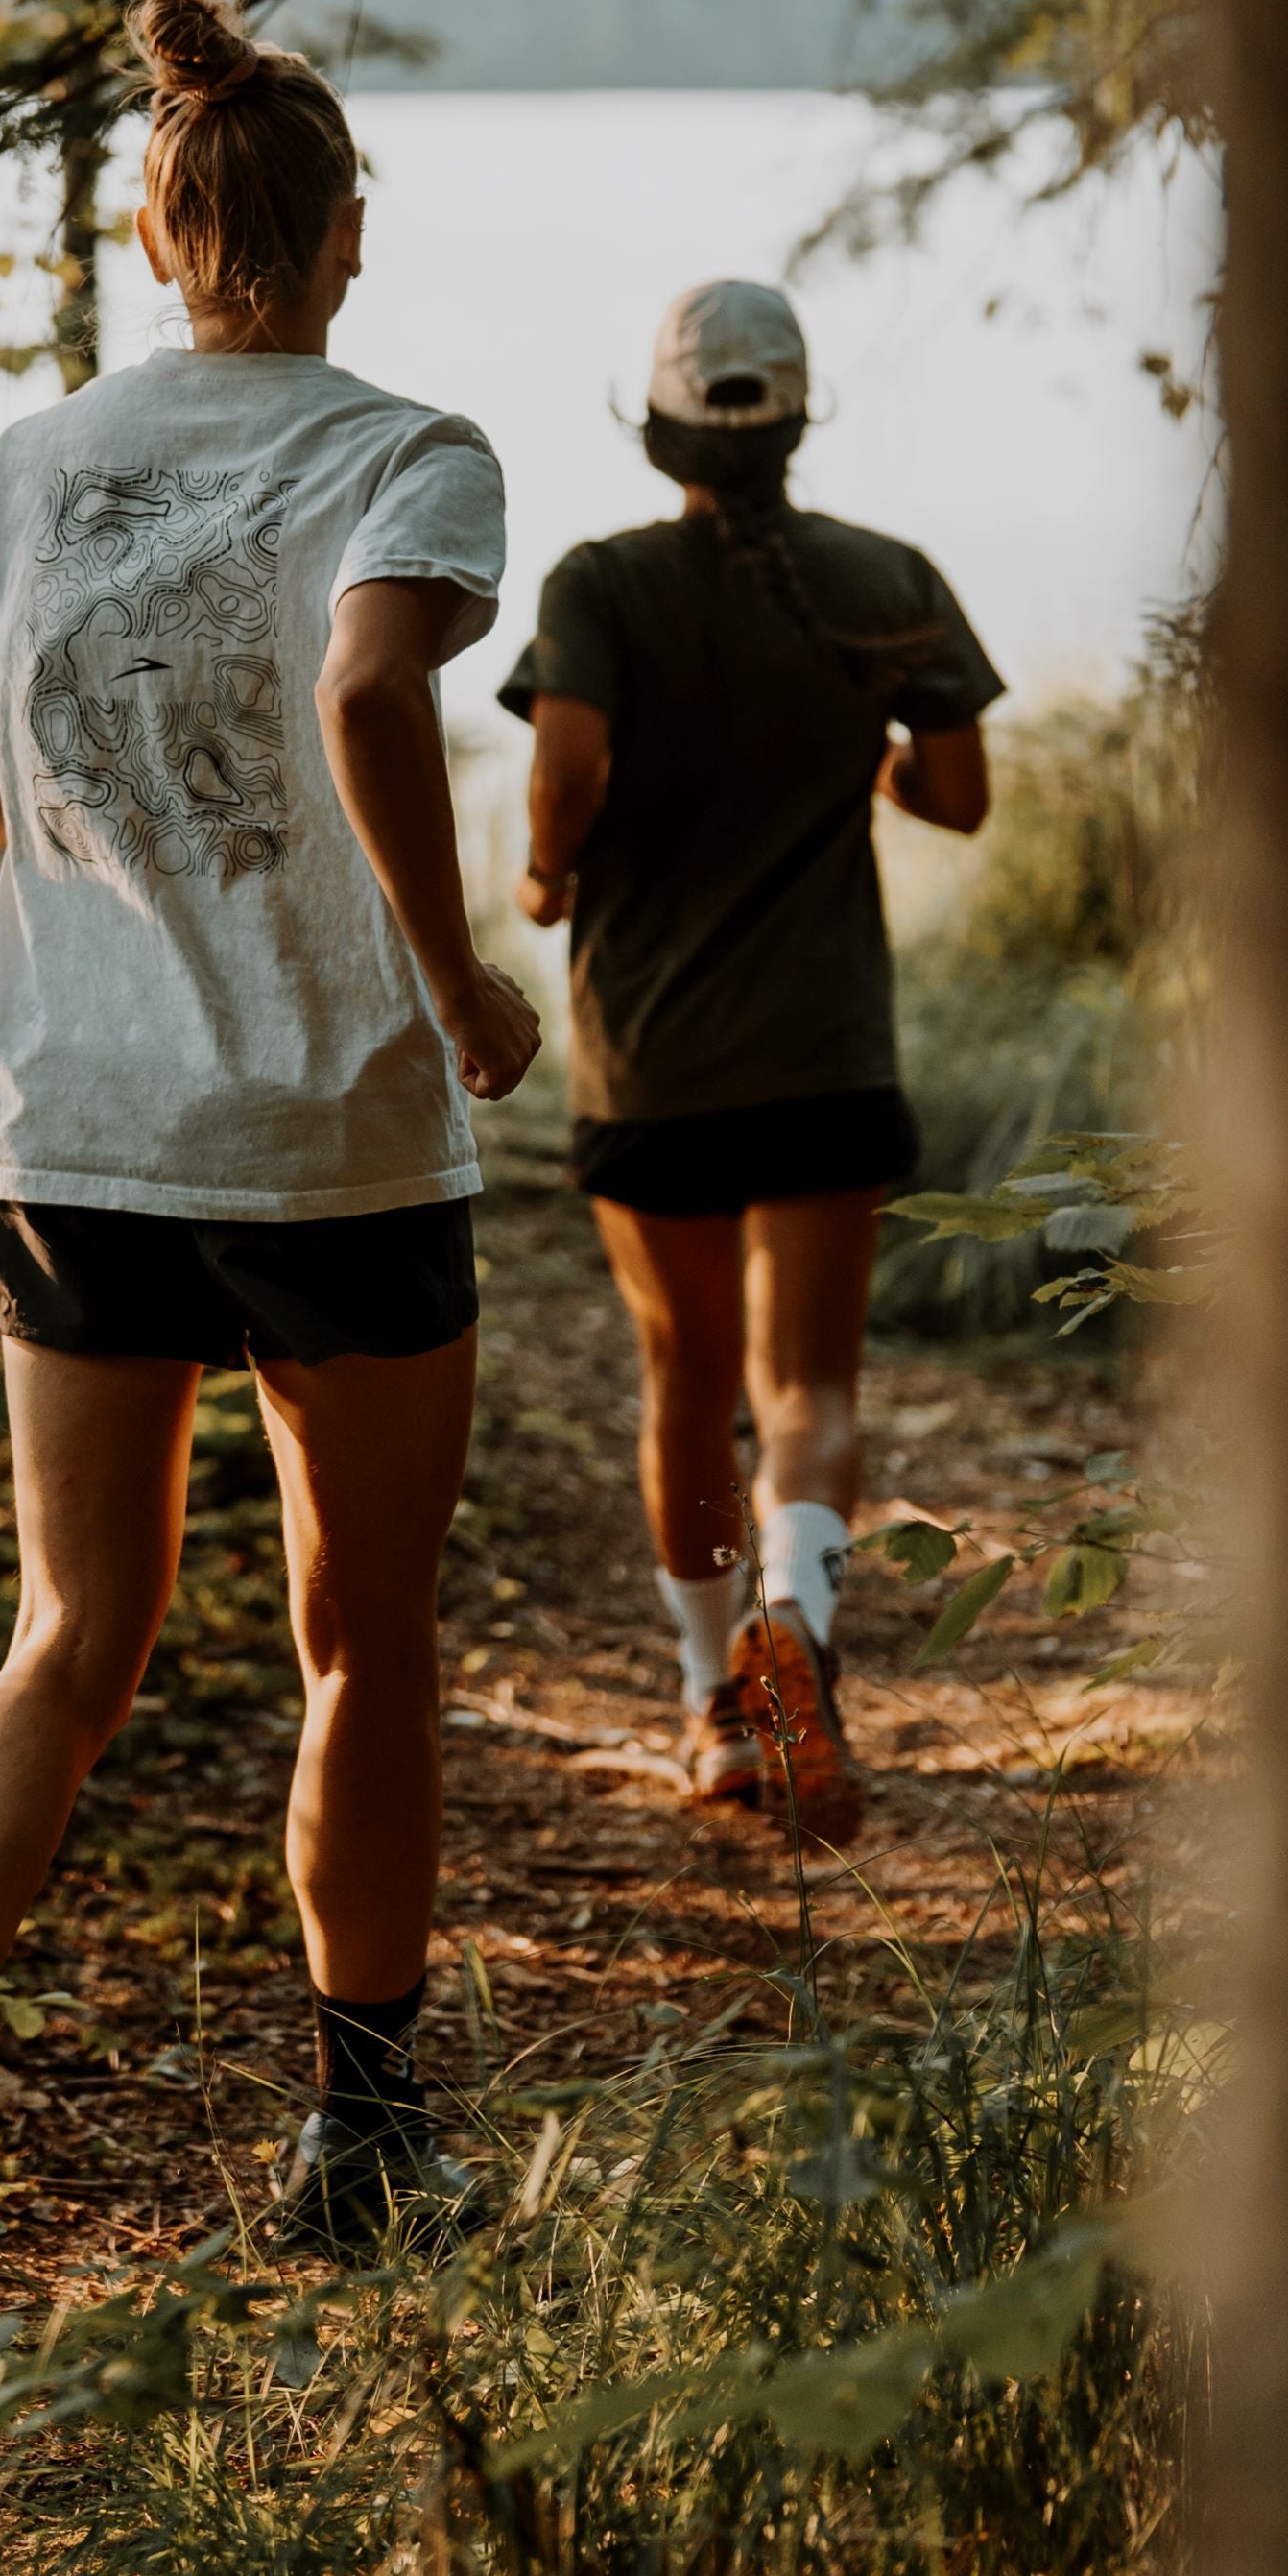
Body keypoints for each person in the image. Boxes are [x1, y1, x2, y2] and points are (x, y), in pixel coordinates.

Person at [0, 0, 544, 2398]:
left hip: (75, 1139)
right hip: (326, 1139)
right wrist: (453, 977)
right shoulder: (411, 446)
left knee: (71, 1641)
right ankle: (367, 2127)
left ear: (158, 234)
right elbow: (359, 699)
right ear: (338, 236)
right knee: (363, 1645)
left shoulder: (31, 468)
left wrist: (124, 815)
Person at [502, 278, 999, 1844]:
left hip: (653, 1063)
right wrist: (863, 760)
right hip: (825, 1051)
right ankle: (807, 1626)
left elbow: (568, 762)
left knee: (687, 1383)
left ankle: (719, 1704)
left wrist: (542, 875)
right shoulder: (886, 579)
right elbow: (962, 790)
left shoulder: (603, 584)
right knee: (811, 1389)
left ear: (661, 428)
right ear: (795, 419)